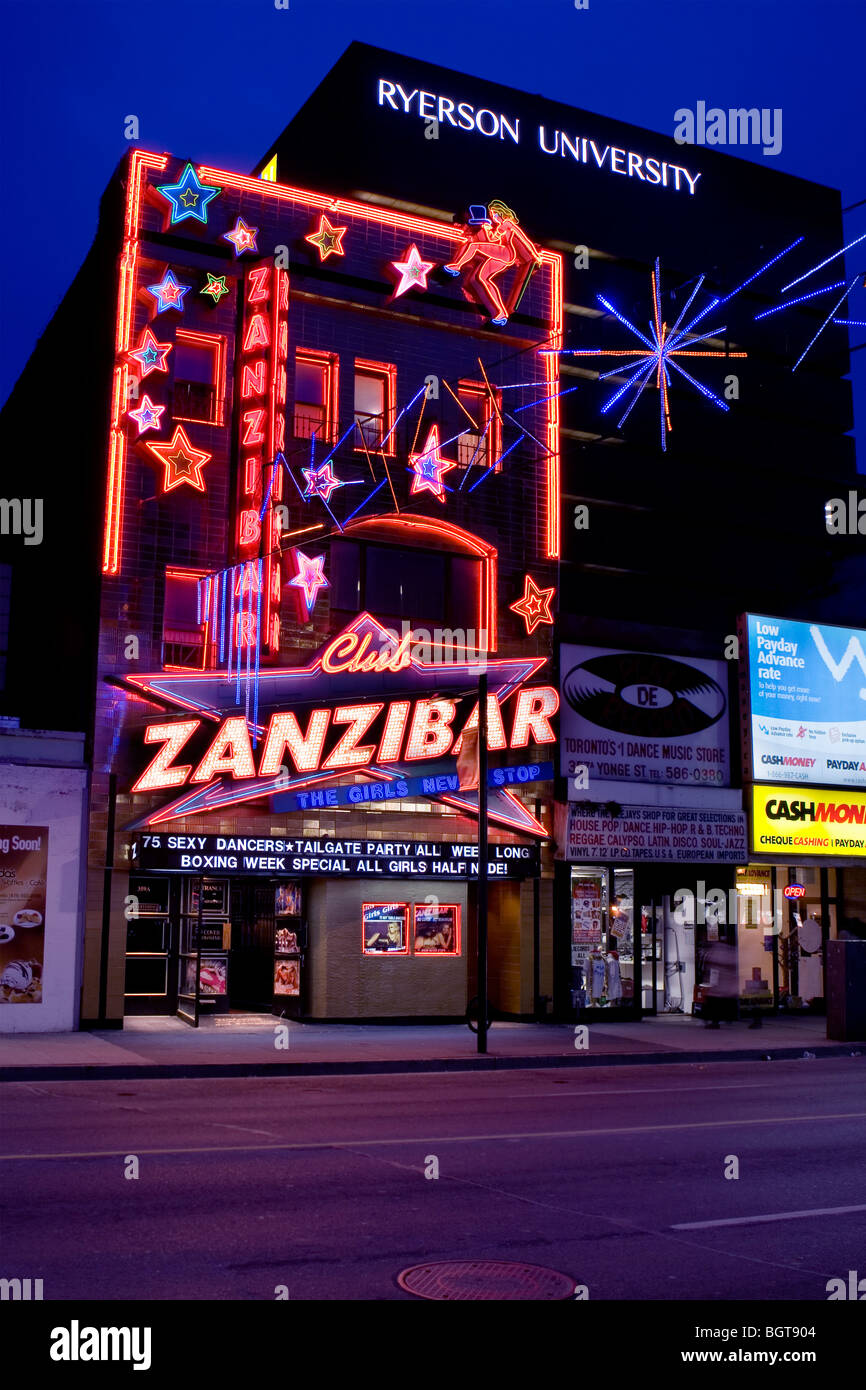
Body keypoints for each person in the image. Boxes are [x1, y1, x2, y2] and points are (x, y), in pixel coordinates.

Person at [443, 201, 542, 324]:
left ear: (502, 214)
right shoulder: (496, 228)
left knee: (474, 246)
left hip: (506, 253)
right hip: (499, 257)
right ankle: (499, 313)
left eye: (495, 214)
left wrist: (534, 256)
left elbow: (522, 239)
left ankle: (456, 266)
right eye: (492, 215)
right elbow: (493, 240)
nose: (494, 217)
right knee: (479, 278)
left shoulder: (506, 224)